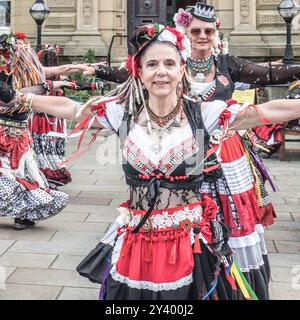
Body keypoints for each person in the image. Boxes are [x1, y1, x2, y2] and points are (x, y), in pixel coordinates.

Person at [3, 24, 300, 300]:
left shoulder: (204, 115)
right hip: (137, 245)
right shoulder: (124, 115)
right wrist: (16, 97)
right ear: (140, 72)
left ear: (181, 70)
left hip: (191, 246)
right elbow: (73, 109)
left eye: (169, 64)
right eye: (152, 64)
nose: (161, 72)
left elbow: (266, 111)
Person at [0, 33, 74, 229]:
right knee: (8, 172)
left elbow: (39, 73)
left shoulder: (21, 69)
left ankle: (24, 214)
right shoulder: (6, 70)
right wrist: (49, 85)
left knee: (25, 172)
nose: (19, 51)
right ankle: (21, 212)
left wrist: (68, 72)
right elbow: (7, 97)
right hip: (5, 127)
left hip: (19, 128)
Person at [30, 45, 72, 188]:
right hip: (55, 121)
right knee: (52, 147)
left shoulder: (35, 80)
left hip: (39, 120)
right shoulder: (61, 80)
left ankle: (43, 175)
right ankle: (52, 174)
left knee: (40, 147)